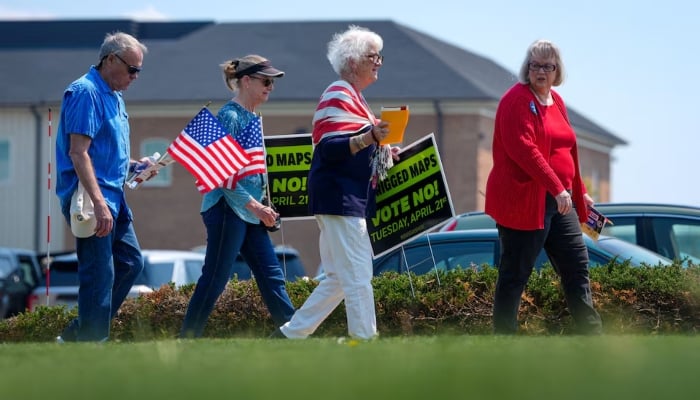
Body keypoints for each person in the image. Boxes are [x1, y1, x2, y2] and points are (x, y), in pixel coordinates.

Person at [272, 25, 398, 340]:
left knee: (338, 279)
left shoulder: (353, 97)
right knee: (357, 273)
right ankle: (365, 342)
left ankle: (290, 335)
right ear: (353, 62)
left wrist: (382, 148)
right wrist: (370, 136)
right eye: (373, 56)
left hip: (342, 197)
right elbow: (329, 146)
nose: (379, 61)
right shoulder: (339, 93)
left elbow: (352, 144)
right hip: (341, 198)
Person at [484, 39, 603, 335]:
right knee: (515, 275)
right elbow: (525, 150)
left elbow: (567, 151)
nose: (541, 72)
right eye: (535, 65)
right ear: (527, 68)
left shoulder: (557, 102)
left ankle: (593, 336)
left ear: (557, 71)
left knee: (577, 268)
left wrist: (578, 191)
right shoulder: (516, 100)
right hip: (525, 201)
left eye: (548, 66)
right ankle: (503, 341)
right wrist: (557, 188)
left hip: (560, 203)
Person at [179, 55, 295, 338]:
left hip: (248, 212)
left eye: (272, 82)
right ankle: (186, 340)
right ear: (246, 81)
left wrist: (261, 205)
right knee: (215, 278)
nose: (270, 87)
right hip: (226, 209)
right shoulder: (229, 116)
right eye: (266, 81)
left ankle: (294, 335)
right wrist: (257, 207)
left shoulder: (253, 116)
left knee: (272, 277)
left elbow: (250, 172)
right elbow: (221, 176)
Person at [55, 31, 151, 342]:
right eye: (132, 69)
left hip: (115, 197)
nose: (135, 77)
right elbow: (78, 152)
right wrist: (98, 204)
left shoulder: (115, 96)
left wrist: (137, 166)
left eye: (139, 71)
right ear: (110, 60)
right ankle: (92, 344)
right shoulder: (85, 92)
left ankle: (77, 337)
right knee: (99, 274)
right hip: (90, 199)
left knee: (130, 263)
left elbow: (107, 154)